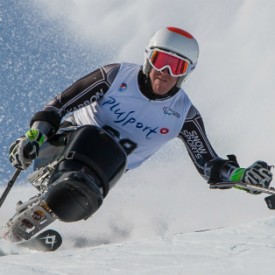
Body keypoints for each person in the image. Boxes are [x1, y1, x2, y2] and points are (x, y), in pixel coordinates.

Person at [9, 26, 273, 223]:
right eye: (161, 61)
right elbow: (59, 105)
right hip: (62, 147)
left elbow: (208, 165)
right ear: (148, 59)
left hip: (101, 175)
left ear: (187, 73)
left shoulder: (183, 115)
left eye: (177, 67)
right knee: (94, 138)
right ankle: (56, 183)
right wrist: (33, 137)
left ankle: (40, 214)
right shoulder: (115, 77)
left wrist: (242, 176)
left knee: (112, 159)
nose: (165, 73)